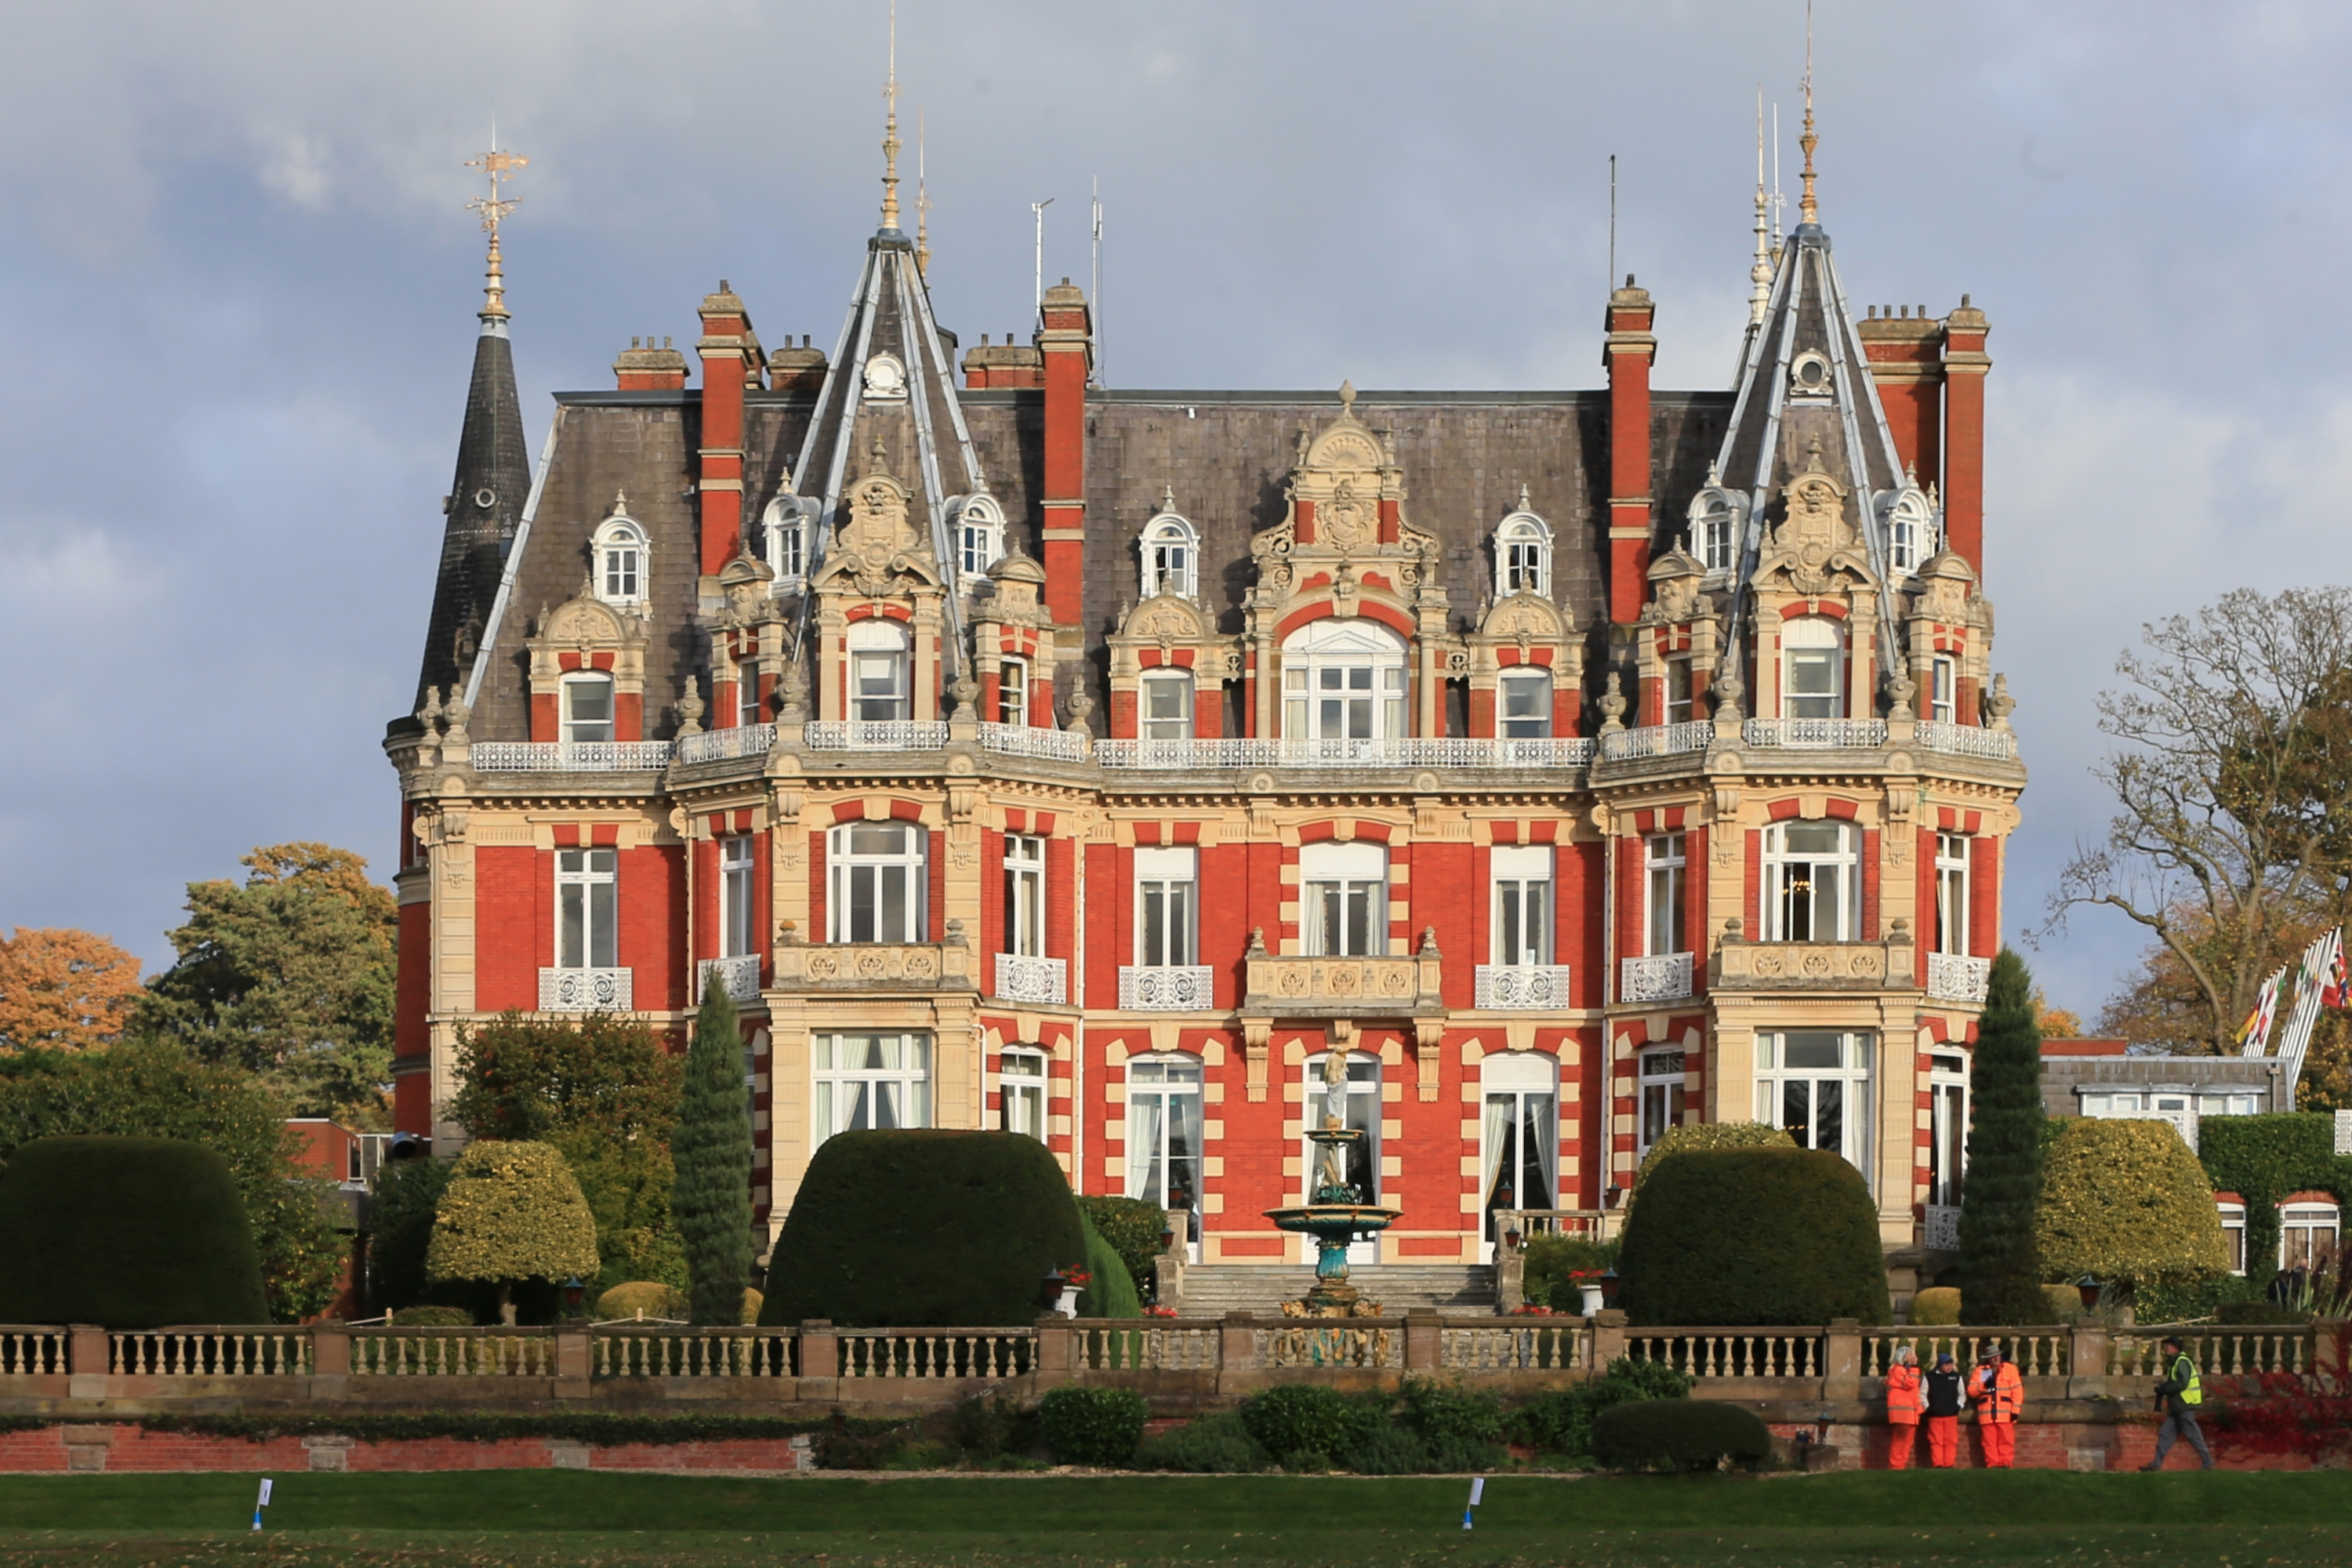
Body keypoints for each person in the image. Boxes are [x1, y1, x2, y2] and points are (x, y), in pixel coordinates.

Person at [2141, 1334, 2214, 1471]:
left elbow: (2182, 1383)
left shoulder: (2181, 1362)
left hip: (2185, 1404)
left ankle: (2208, 1461)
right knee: (2165, 1435)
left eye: (2168, 1346)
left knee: (2193, 1435)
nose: (2166, 1349)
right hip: (2178, 1406)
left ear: (2175, 1348)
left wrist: (2165, 1389)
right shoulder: (2176, 1362)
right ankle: (2156, 1464)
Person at [1969, 1345, 2023, 1467]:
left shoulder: (2010, 1369)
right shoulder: (1980, 1371)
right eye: (1992, 1357)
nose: (1995, 1359)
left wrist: (2015, 1410)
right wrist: (1984, 1386)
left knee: (2006, 1440)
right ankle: (1992, 1465)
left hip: (2005, 1414)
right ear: (1988, 1359)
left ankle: (2005, 1463)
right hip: (1986, 1414)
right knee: (1989, 1442)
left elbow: (2017, 1391)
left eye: (1997, 1356)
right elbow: (1972, 1391)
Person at [1922, 1351, 1965, 1468]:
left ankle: (1949, 1463)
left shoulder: (1956, 1376)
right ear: (1940, 1365)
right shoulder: (1930, 1377)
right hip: (1935, 1415)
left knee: (1951, 1440)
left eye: (1950, 1364)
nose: (1949, 1367)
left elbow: (1962, 1393)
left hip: (1951, 1414)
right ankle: (1938, 1463)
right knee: (1936, 1440)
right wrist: (1927, 1407)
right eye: (1946, 1364)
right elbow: (1922, 1394)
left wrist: (1959, 1406)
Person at [1882, 1345, 1922, 1468]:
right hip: (1902, 1411)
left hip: (1910, 1412)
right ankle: (1895, 1466)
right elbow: (1911, 1383)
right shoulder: (1898, 1370)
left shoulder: (1903, 1371)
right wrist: (1915, 1367)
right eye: (1910, 1355)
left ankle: (1900, 1466)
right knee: (1900, 1440)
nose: (1913, 1357)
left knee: (1907, 1442)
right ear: (1903, 1358)